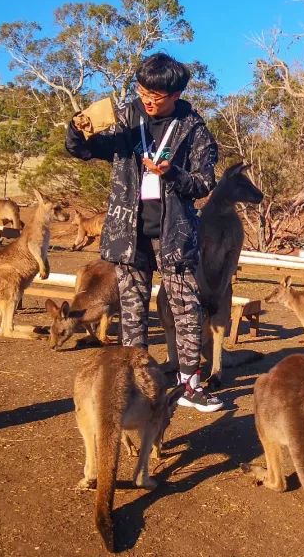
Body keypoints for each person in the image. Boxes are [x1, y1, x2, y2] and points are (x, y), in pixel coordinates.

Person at [66, 52, 223, 413]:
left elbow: (203, 183)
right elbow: (84, 150)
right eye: (142, 92)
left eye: (156, 96)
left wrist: (172, 173)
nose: (148, 101)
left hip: (174, 235)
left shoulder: (193, 128)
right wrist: (77, 130)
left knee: (186, 308)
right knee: (132, 311)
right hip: (128, 232)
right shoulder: (125, 117)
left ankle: (189, 385)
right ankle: (134, 381)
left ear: (176, 95)